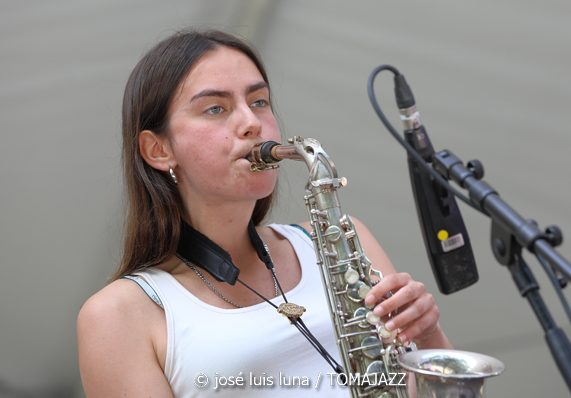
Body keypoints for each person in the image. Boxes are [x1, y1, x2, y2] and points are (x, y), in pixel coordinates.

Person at [77, 29, 453, 398]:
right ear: (158, 150)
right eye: (215, 108)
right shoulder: (116, 316)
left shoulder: (347, 238)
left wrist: (427, 337)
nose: (252, 123)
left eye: (259, 101)